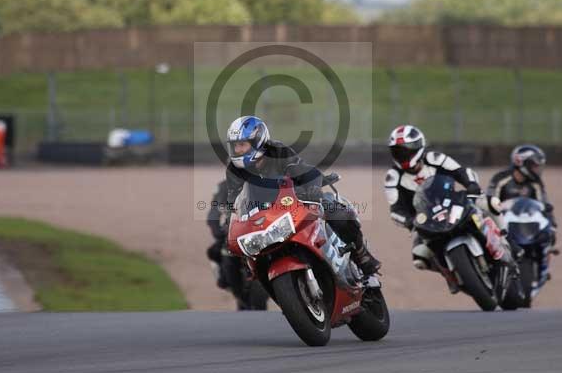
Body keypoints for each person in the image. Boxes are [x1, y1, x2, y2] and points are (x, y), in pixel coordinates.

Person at [224, 115, 381, 275]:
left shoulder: (278, 151)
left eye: (242, 145)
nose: (238, 150)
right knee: (232, 251)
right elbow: (233, 199)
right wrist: (229, 221)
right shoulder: (233, 169)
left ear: (258, 141)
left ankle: (361, 255)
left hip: (296, 201)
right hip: (263, 216)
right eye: (235, 146)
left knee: (336, 210)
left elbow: (304, 170)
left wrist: (313, 188)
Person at [384, 125, 516, 291]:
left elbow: (460, 171)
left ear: (417, 148)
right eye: (396, 151)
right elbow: (395, 210)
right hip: (425, 220)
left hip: (454, 202)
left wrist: (471, 185)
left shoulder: (434, 158)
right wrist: (410, 221)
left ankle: (507, 239)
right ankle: (449, 272)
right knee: (420, 257)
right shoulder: (393, 177)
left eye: (403, 151)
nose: (400, 155)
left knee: (491, 203)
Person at [487, 144, 556, 229]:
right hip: (504, 226)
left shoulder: (536, 183)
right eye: (534, 166)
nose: (537, 170)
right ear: (521, 162)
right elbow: (489, 205)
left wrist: (552, 226)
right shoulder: (500, 179)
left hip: (528, 226)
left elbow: (544, 206)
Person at [206, 180, 230, 289]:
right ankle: (223, 275)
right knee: (214, 251)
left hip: (259, 230)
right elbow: (214, 212)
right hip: (233, 231)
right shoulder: (224, 186)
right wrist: (218, 232)